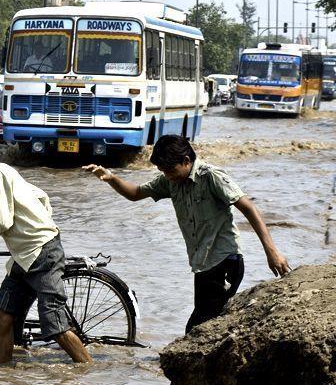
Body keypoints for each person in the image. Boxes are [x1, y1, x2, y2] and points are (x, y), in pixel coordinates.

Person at [82, 135, 290, 333]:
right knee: (209, 324)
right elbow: (135, 193)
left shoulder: (211, 177)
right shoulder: (170, 181)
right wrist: (111, 178)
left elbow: (248, 207)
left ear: (186, 160)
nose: (167, 175)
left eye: (170, 170)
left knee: (197, 328)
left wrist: (271, 252)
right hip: (202, 266)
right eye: (163, 171)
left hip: (226, 261)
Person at [0, 133, 92, 366]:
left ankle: (88, 372)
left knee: (54, 325)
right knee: (1, 318)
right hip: (24, 256)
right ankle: (4, 379)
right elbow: (41, 197)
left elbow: (0, 222)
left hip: (41, 253)